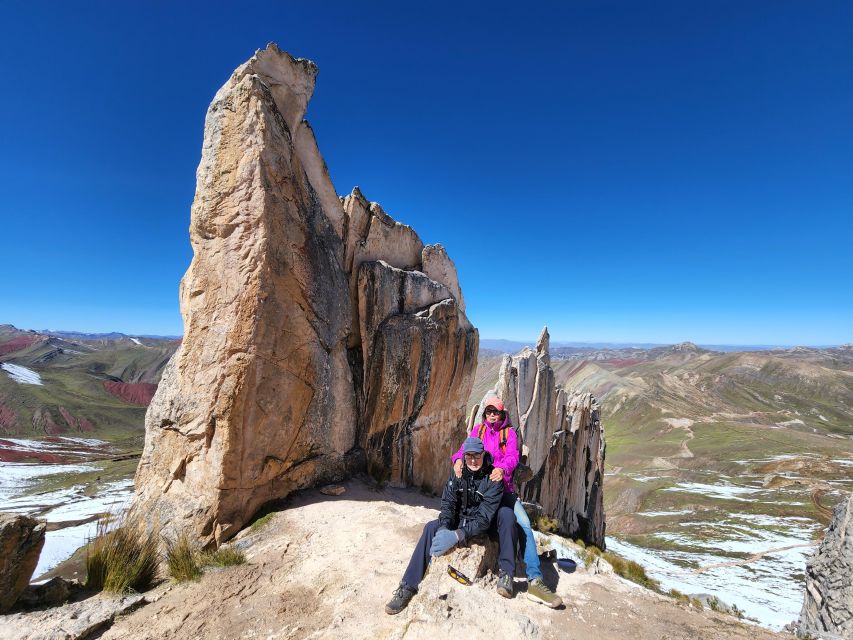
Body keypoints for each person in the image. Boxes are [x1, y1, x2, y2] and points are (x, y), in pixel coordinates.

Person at [385, 437, 518, 615]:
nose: (472, 460)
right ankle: (408, 586)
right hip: (462, 518)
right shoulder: (458, 473)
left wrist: (458, 535)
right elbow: (448, 504)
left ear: (483, 455)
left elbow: (484, 519)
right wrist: (444, 529)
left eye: (476, 456)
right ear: (463, 457)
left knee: (507, 515)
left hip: (484, 524)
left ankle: (507, 573)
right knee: (430, 528)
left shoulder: (493, 478)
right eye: (468, 456)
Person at [451, 396, 563, 608]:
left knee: (523, 524)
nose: (492, 415)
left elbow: (513, 457)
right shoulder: (478, 431)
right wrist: (457, 459)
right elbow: (464, 449)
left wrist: (501, 469)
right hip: (480, 490)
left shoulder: (508, 434)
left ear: (502, 414)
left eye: (496, 411)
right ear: (484, 414)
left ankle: (535, 580)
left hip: (504, 490)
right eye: (488, 411)